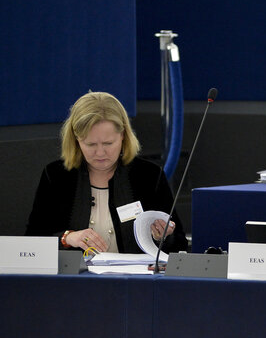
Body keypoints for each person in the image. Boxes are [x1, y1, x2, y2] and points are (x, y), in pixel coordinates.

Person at [25, 91, 187, 253]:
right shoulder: (56, 175)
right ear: (76, 140)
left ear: (123, 135)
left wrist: (162, 237)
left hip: (135, 277)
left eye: (108, 143)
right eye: (91, 144)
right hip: (75, 277)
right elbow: (32, 240)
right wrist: (68, 238)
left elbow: (180, 244)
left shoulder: (148, 175)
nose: (100, 153)